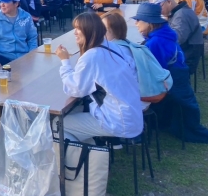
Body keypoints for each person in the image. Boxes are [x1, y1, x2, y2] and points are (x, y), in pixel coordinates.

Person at [55, 12, 143, 143]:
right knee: (76, 110)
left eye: (78, 28)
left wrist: (65, 62)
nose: (75, 32)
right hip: (132, 115)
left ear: (89, 30)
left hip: (117, 122)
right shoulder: (113, 46)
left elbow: (73, 89)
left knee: (57, 124)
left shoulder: (92, 56)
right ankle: (94, 147)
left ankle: (91, 151)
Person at [133, 3, 208, 143]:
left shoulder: (155, 42)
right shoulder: (164, 33)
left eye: (139, 20)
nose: (136, 24)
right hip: (179, 74)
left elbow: (152, 72)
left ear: (149, 23)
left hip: (174, 79)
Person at [149, 0, 204, 77]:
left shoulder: (181, 15)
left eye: (159, 6)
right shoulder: (179, 12)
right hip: (185, 51)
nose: (158, 11)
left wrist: (157, 32)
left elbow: (176, 39)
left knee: (152, 64)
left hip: (187, 57)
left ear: (169, 2)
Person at [0, 0, 38, 67]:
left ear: (16, 3)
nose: (2, 5)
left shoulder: (26, 17)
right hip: (2, 58)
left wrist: (32, 54)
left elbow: (32, 37)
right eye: (1, 1)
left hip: (23, 56)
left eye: (6, 2)